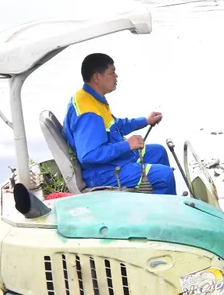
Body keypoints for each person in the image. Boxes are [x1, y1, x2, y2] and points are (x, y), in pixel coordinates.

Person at [63, 53, 176, 195]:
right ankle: (164, 213)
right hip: (103, 173)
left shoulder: (90, 98)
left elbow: (115, 125)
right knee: (164, 176)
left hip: (113, 160)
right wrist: (127, 145)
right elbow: (89, 156)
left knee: (158, 151)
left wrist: (145, 121)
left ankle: (153, 199)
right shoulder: (88, 114)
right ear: (97, 77)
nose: (116, 77)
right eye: (112, 72)